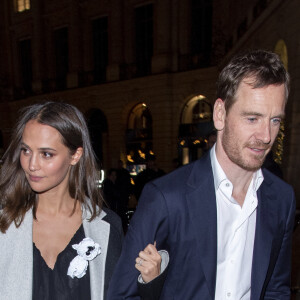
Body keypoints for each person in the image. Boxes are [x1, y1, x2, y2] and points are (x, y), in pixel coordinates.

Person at [107, 50, 296, 300]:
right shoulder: (166, 198)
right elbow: (122, 295)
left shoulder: (282, 199)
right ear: (220, 114)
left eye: (275, 120)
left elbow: (275, 289)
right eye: (252, 118)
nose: (266, 136)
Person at [0, 102, 124, 300]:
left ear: (75, 155)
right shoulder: (4, 224)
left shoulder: (106, 228)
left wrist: (150, 281)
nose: (32, 165)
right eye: (26, 151)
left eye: (46, 154)